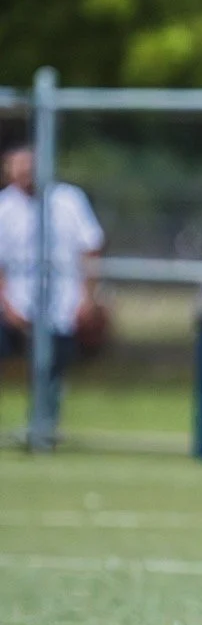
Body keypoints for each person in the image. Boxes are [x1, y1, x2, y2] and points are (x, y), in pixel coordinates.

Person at [0, 143, 105, 436]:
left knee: (52, 366)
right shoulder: (4, 206)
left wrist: (88, 297)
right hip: (15, 303)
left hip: (63, 302)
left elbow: (90, 248)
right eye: (16, 166)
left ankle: (43, 426)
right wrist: (8, 305)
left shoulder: (68, 199)